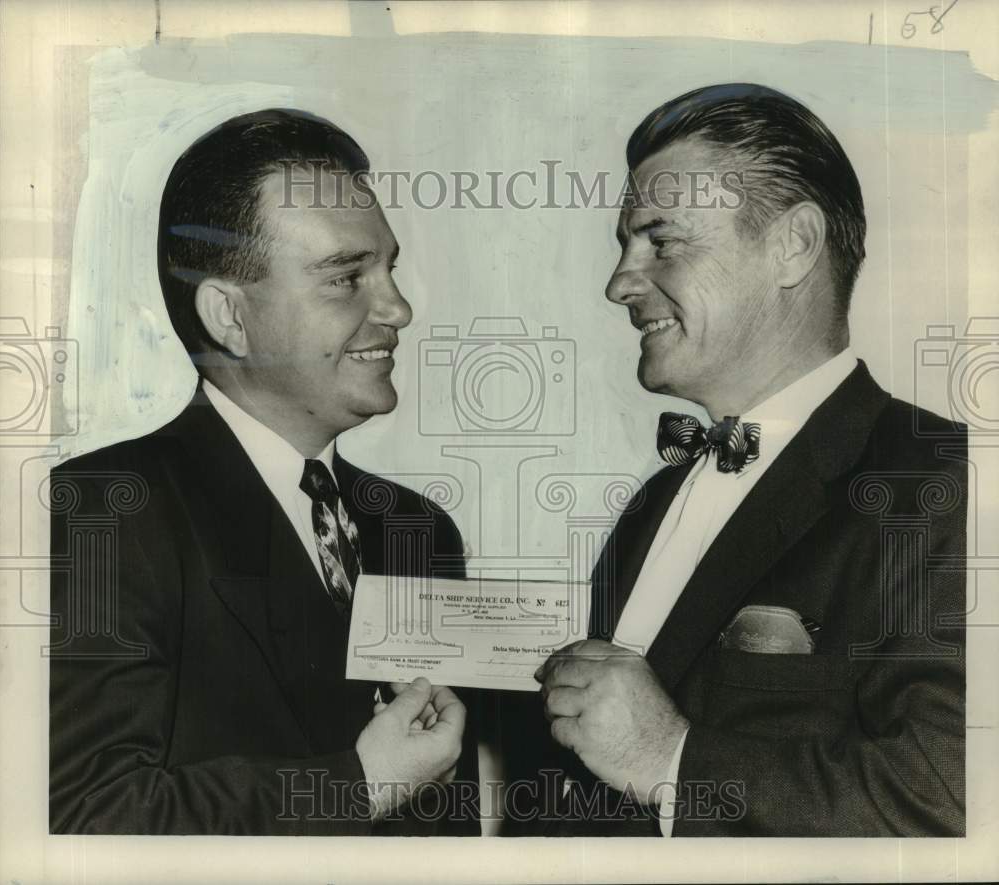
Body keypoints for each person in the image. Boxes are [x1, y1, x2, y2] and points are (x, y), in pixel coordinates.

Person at [534, 83, 967, 836]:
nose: (619, 284)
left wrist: (670, 757)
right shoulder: (654, 503)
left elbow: (946, 803)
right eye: (625, 245)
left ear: (793, 246)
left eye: (660, 240)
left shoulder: (943, 482)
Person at [48, 109, 476, 835]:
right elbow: (87, 816)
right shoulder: (103, 512)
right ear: (229, 316)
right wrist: (357, 785)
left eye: (388, 268)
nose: (398, 308)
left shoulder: (420, 530)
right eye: (346, 278)